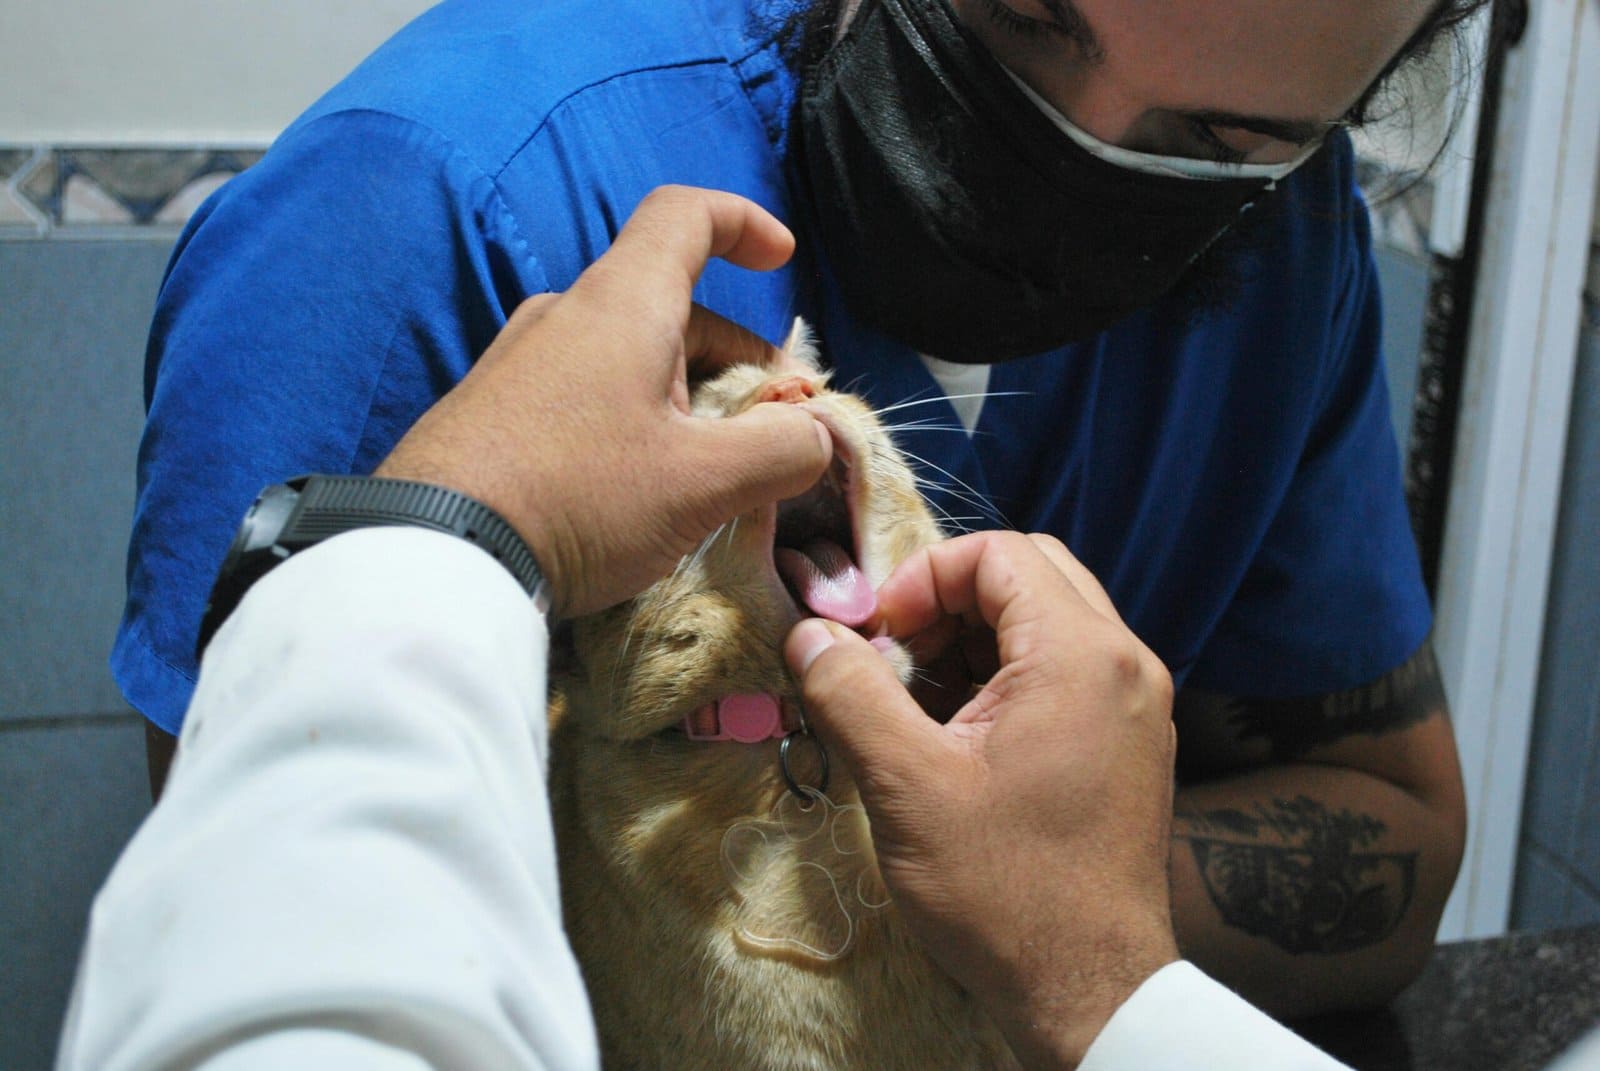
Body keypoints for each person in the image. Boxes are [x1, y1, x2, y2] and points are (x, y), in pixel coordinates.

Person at [113, 0, 1476, 1015]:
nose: (1078, 165)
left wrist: (1052, 904)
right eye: (1019, 26)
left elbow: (1395, 831)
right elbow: (268, 915)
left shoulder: (1284, 237)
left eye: (1219, 139)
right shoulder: (440, 197)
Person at [61, 188, 1356, 1070]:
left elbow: (297, 978)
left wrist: (442, 527)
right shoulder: (421, 192)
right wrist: (1122, 994)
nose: (796, 390)